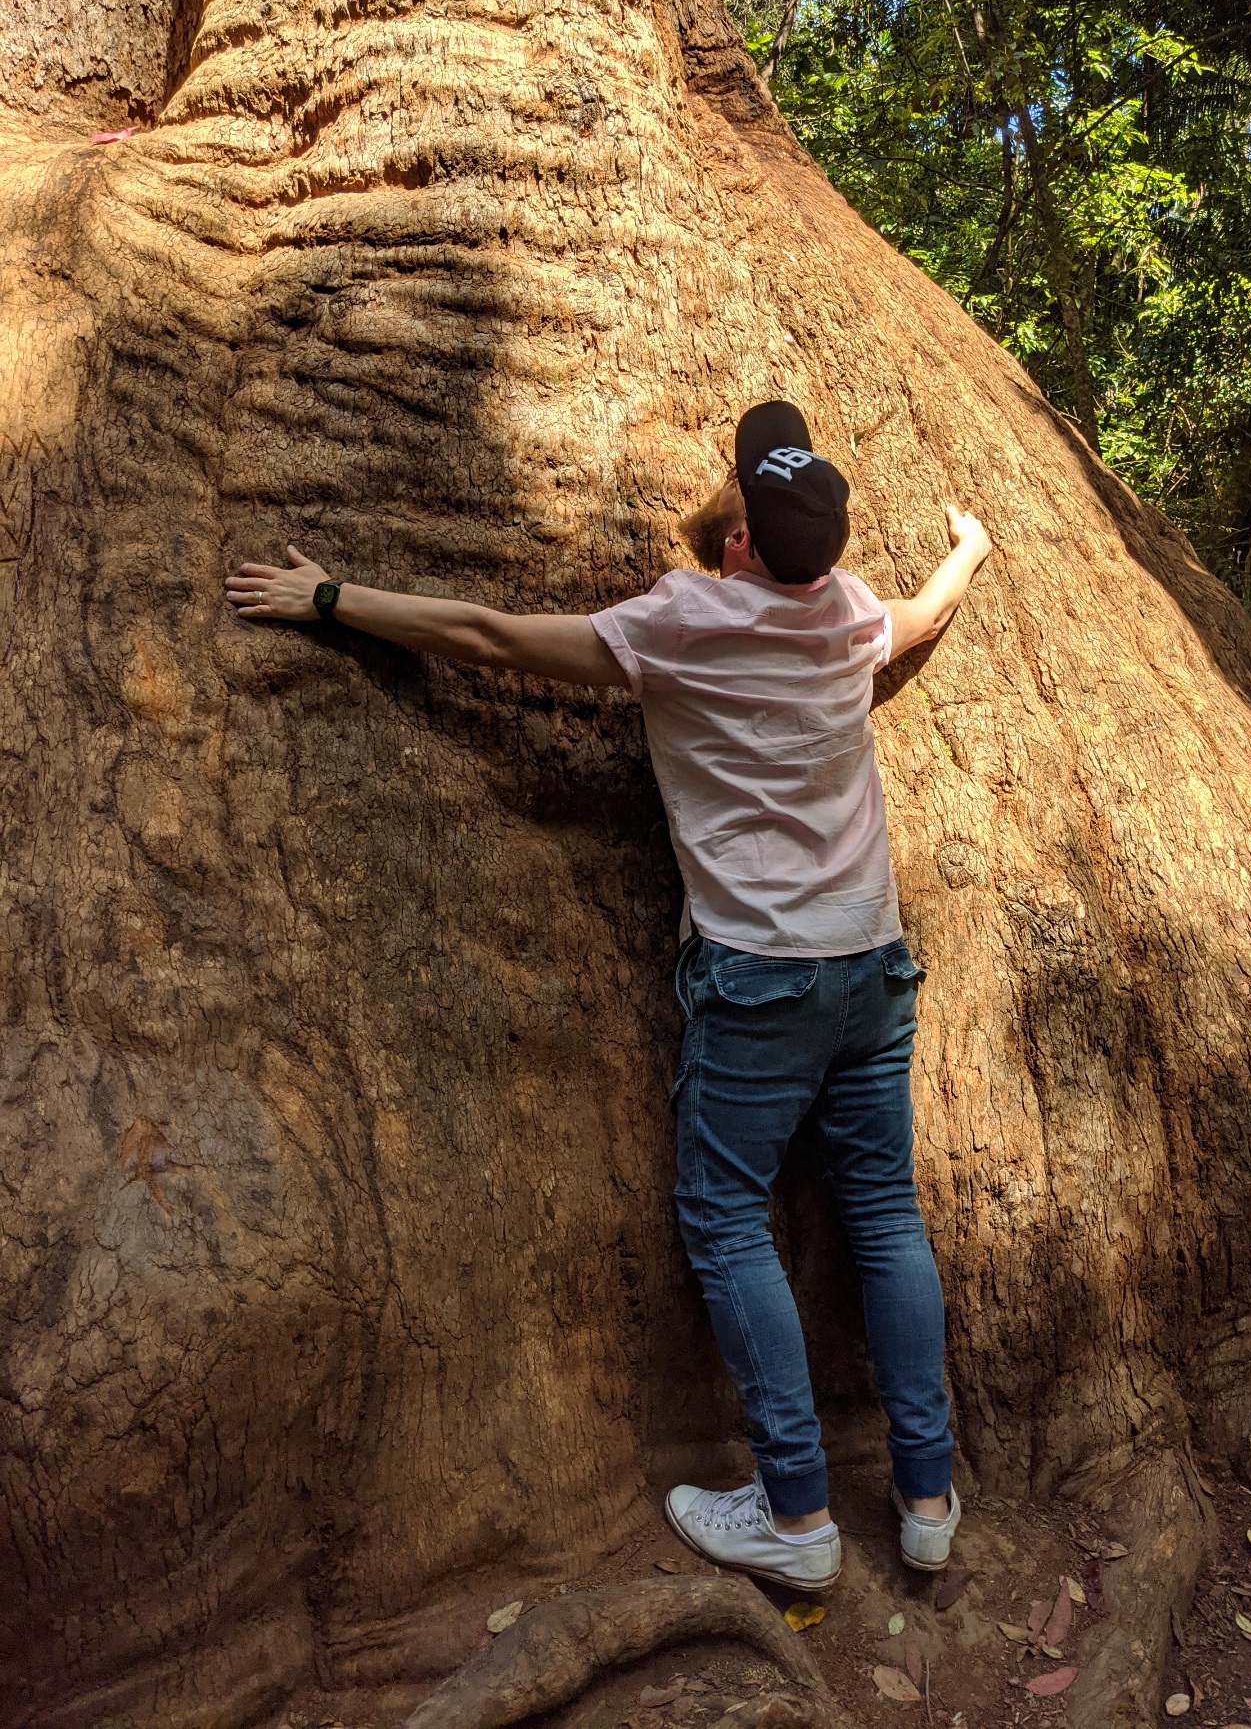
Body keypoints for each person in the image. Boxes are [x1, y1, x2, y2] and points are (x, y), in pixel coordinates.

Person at [224, 401, 992, 1592]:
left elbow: (485, 634)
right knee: (883, 1217)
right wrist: (970, 542)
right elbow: (930, 609)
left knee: (727, 1217)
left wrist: (331, 598)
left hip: (759, 981)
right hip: (873, 965)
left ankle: (795, 1517)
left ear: (737, 541)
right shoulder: (848, 613)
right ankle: (928, 1495)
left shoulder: (681, 621)